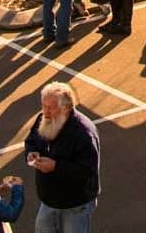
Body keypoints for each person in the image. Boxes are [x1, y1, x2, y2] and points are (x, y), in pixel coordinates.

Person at [24, 82, 101, 232]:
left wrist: (56, 166)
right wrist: (30, 153)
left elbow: (87, 170)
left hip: (75, 204)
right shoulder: (43, 118)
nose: (45, 112)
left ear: (65, 108)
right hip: (49, 200)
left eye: (50, 108)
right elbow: (31, 140)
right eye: (43, 106)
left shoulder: (83, 133)